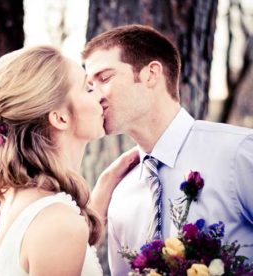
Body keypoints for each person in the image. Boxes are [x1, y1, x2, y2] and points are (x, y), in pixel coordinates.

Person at [82, 24, 253, 275]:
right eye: (89, 87)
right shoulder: (119, 195)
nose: (94, 97)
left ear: (151, 74)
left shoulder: (238, 152)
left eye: (104, 78)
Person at [0, 45, 138, 275]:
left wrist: (105, 186)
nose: (101, 94)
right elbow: (60, 235)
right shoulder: (59, 222)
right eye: (88, 89)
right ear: (59, 117)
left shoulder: (22, 198)